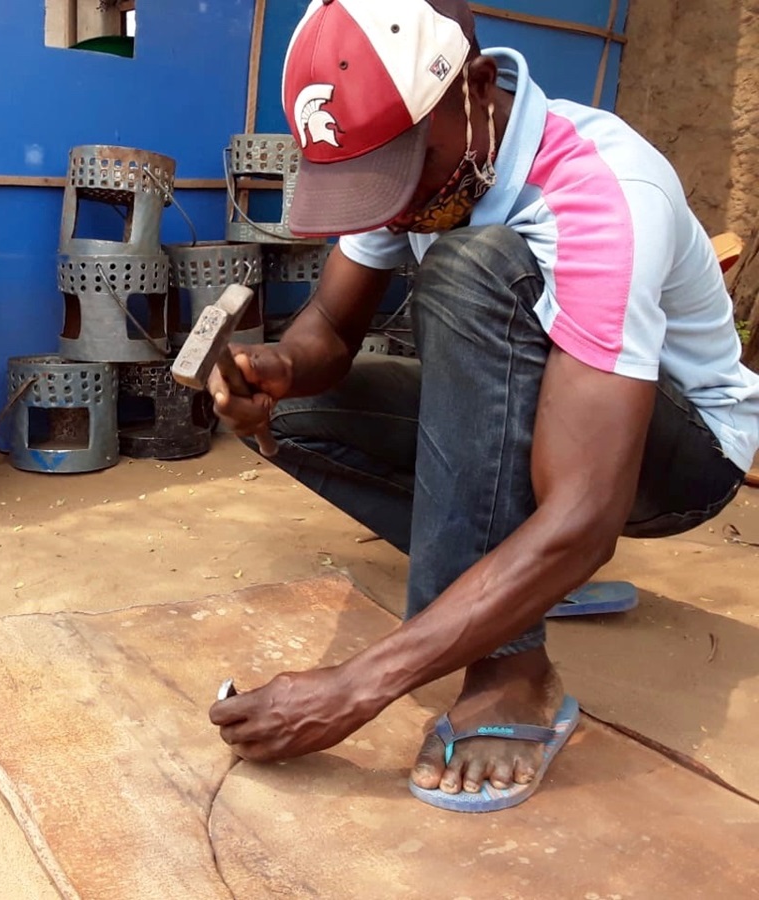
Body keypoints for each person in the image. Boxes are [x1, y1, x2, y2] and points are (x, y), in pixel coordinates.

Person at [208, 0, 759, 812]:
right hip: (552, 424)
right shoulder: (414, 163)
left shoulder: (602, 188)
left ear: (476, 86)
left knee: (474, 267)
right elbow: (329, 325)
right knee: (292, 417)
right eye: (372, 180)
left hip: (682, 456)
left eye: (406, 171)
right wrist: (278, 368)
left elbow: (587, 516)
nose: (396, 207)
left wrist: (358, 685)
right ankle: (522, 582)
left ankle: (512, 671)